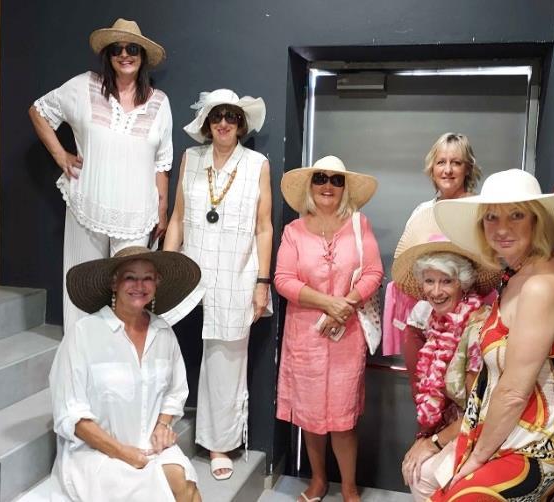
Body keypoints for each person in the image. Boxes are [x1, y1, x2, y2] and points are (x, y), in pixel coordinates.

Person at [429, 169, 554, 500]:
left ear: (537, 221)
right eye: (491, 217)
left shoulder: (541, 287)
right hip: (505, 426)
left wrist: (477, 457)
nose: (501, 228)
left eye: (516, 215)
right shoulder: (519, 274)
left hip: (538, 440)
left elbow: (514, 393)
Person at [28, 18, 172, 338]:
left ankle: (128, 356)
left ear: (142, 56)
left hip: (138, 212)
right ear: (108, 55)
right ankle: (79, 356)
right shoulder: (83, 87)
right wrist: (60, 155)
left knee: (135, 292)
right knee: (82, 288)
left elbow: (162, 161)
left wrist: (162, 209)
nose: (124, 55)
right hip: (88, 205)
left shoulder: (160, 103)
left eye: (132, 48)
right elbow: (39, 111)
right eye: (117, 49)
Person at [163, 88, 272, 480]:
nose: (224, 122)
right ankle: (153, 425)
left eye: (231, 116)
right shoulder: (191, 158)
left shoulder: (257, 164)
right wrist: (165, 266)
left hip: (236, 271)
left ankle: (219, 445)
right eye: (217, 116)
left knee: (226, 357)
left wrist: (262, 282)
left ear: (240, 123)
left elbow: (264, 227)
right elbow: (177, 218)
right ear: (207, 123)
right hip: (190, 268)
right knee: (160, 340)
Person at [48, 246, 203, 502]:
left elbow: (175, 393)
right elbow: (71, 414)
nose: (139, 286)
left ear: (157, 283)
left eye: (147, 278)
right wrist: (123, 452)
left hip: (150, 445)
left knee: (185, 481)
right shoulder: (84, 333)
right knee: (161, 490)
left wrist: (163, 425)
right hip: (98, 453)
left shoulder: (163, 332)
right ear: (114, 283)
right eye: (130, 277)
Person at [275, 155, 383, 502]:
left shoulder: (359, 224)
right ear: (310, 185)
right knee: (310, 417)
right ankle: (318, 480)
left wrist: (345, 304)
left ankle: (349, 487)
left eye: (336, 180)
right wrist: (327, 303)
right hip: (305, 335)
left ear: (345, 188)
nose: (327, 185)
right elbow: (283, 279)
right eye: (320, 178)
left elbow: (374, 273)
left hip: (346, 335)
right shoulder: (293, 231)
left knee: (343, 417)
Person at [391, 210, 499, 501]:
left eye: (446, 281)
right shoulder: (435, 322)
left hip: (485, 430)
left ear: (463, 284)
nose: (436, 291)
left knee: (422, 474)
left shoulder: (477, 328)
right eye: (429, 281)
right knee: (416, 468)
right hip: (455, 425)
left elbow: (480, 409)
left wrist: (434, 443)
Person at [389, 133, 483, 383]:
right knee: (424, 395)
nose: (448, 170)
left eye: (456, 162)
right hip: (421, 322)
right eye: (441, 162)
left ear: (467, 168)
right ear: (432, 169)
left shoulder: (482, 209)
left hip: (468, 323)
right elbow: (409, 261)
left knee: (461, 395)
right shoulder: (422, 211)